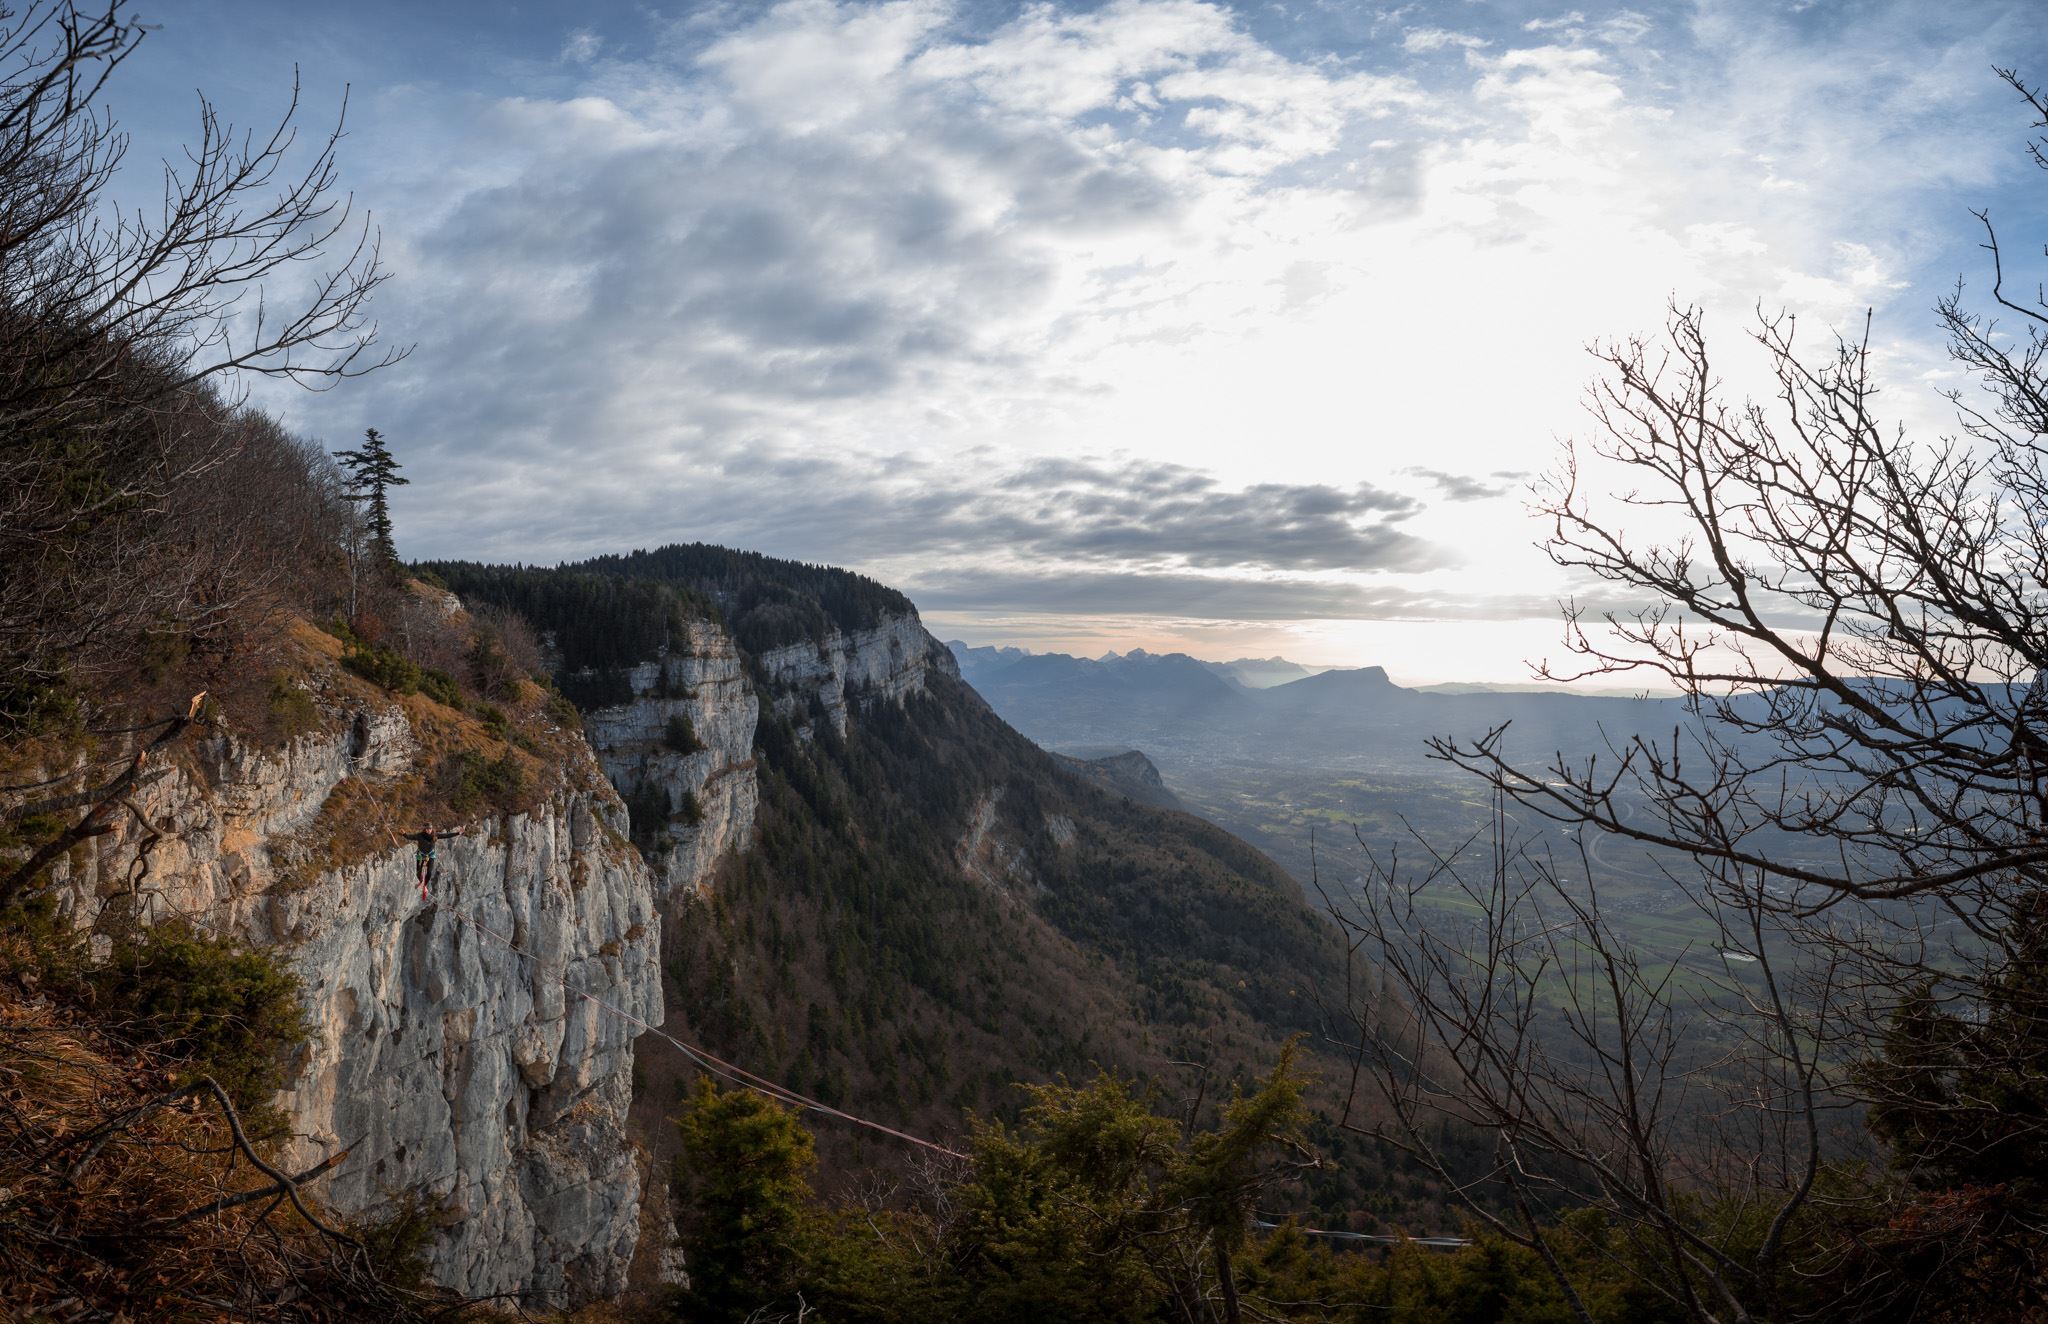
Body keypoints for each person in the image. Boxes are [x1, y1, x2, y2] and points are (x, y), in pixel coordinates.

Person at [413, 824, 463, 899]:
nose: (429, 830)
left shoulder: (435, 835)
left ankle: (424, 886)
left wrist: (457, 833)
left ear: (431, 829)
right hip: (421, 854)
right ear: (425, 830)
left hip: (430, 855)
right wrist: (404, 834)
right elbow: (411, 837)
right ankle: (421, 883)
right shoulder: (420, 835)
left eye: (430, 829)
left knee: (429, 872)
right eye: (427, 829)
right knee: (418, 871)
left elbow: (446, 835)